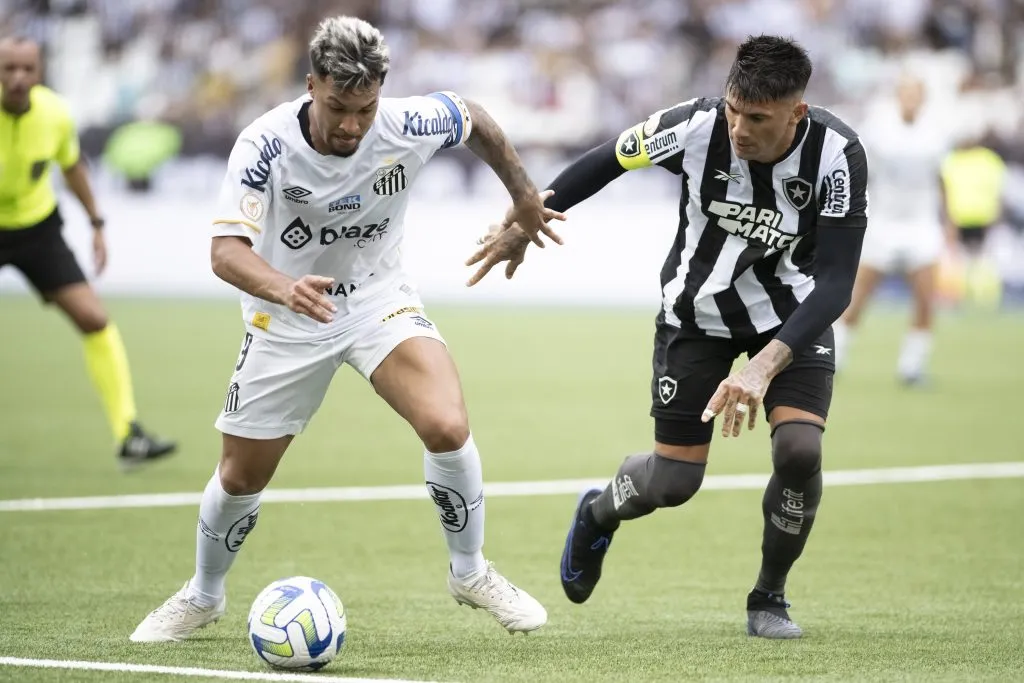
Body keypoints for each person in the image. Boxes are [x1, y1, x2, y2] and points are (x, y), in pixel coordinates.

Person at [129, 15, 562, 643]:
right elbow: (225, 252)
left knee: (447, 424)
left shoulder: (410, 122)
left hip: (377, 300)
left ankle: (470, 572)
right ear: (311, 85)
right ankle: (202, 594)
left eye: (364, 107)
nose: (351, 125)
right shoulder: (265, 144)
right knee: (240, 477)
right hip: (285, 315)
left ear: (381, 91)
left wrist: (524, 194)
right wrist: (286, 288)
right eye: (337, 106)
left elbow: (474, 118)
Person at [468, 35, 868, 639]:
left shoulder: (838, 154)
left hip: (790, 317)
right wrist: (529, 219)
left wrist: (764, 365)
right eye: (734, 109)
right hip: (696, 315)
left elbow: (837, 281)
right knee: (675, 482)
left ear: (796, 114)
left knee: (799, 451)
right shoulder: (694, 125)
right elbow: (605, 161)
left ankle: (769, 597)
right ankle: (599, 511)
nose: (738, 127)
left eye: (757, 118)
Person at [0, 36, 176, 469]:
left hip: (37, 227)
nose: (19, 78)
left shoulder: (55, 113)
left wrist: (97, 224)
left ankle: (128, 435)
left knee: (94, 319)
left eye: (27, 69)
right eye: (8, 69)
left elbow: (72, 166)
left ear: (40, 71)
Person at [833, 75, 952, 385]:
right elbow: (857, 171)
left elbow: (941, 179)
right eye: (906, 93)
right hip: (884, 224)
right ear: (898, 96)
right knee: (859, 295)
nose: (911, 99)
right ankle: (835, 358)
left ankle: (912, 367)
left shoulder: (935, 134)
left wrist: (948, 221)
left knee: (926, 298)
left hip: (921, 225)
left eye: (916, 94)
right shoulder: (879, 130)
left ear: (923, 98)